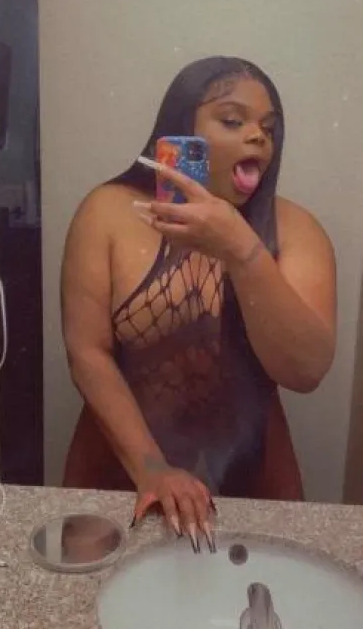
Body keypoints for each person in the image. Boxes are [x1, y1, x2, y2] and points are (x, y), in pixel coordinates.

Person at [61, 56, 336, 542]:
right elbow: (87, 352)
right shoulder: (108, 212)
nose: (257, 137)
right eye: (232, 120)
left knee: (259, 590)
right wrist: (152, 467)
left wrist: (242, 249)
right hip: (121, 470)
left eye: (268, 128)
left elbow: (306, 370)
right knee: (93, 592)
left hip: (252, 477)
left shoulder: (295, 230)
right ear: (180, 127)